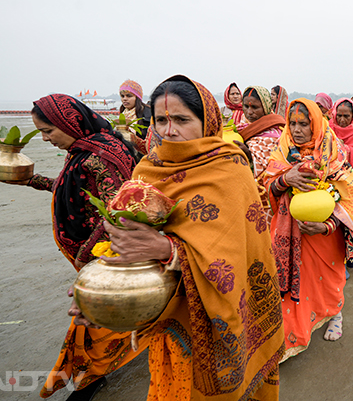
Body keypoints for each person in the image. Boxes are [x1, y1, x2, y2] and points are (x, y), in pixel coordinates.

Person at [71, 75, 285, 399]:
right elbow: (126, 240)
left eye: (182, 120)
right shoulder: (147, 169)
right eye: (161, 120)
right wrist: (101, 293)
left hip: (217, 320)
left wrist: (168, 250)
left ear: (208, 122)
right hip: (167, 320)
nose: (169, 131)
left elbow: (238, 252)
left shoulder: (231, 170)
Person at [14, 95, 143, 399]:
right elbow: (65, 184)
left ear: (67, 123)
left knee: (96, 316)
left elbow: (116, 212)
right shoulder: (83, 149)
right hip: (91, 253)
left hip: (105, 255)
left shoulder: (100, 155)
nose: (45, 139)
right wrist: (31, 180)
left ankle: (91, 376)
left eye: (48, 131)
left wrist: (87, 255)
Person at [264, 98, 353, 358]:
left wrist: (326, 226)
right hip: (289, 232)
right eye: (292, 123)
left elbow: (351, 199)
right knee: (292, 286)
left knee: (329, 280)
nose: (297, 130)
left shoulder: (334, 153)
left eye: (304, 124)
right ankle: (293, 336)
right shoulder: (281, 150)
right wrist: (286, 178)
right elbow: (264, 187)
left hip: (324, 236)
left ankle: (335, 315)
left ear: (317, 125)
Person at [237, 86, 286, 217]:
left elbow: (272, 167)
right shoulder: (241, 126)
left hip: (267, 195)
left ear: (265, 106)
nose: (249, 112)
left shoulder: (275, 132)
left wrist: (249, 155)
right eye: (246, 106)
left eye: (255, 107)